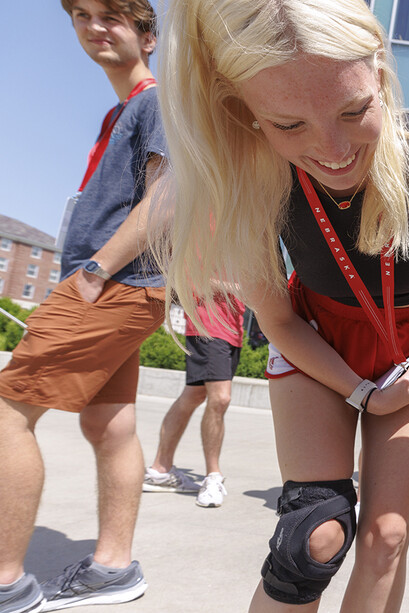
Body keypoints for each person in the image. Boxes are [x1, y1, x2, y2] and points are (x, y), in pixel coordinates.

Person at [152, 1, 409, 611]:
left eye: (354, 111)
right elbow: (281, 322)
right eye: (288, 125)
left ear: (378, 71)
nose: (333, 149)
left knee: (387, 534)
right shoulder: (253, 178)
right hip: (317, 341)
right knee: (311, 536)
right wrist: (363, 393)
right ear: (246, 112)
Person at [0, 2, 166, 611]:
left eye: (113, 16)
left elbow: (167, 195)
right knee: (108, 424)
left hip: (115, 283)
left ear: (148, 34)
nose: (95, 26)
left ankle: (7, 584)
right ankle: (114, 568)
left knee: (6, 415)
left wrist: (95, 271)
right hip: (126, 287)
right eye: (82, 16)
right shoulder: (120, 111)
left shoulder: (157, 102)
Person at [143, 295, 247, 508]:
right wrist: (240, 288)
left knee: (194, 395)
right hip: (209, 326)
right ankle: (213, 475)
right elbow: (193, 283)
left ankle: (160, 470)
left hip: (231, 331)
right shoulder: (205, 258)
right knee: (220, 398)